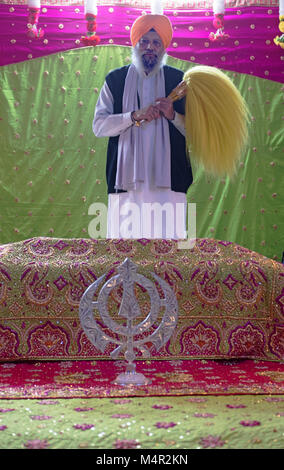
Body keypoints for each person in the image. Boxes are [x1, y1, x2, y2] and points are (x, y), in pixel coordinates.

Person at [93, 14, 193, 239]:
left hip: (168, 185)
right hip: (126, 185)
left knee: (169, 254)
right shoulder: (115, 80)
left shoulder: (179, 82)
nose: (150, 47)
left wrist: (171, 114)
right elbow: (99, 126)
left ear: (163, 48)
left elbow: (195, 132)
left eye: (156, 42)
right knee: (125, 252)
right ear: (135, 44)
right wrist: (133, 116)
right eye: (144, 41)